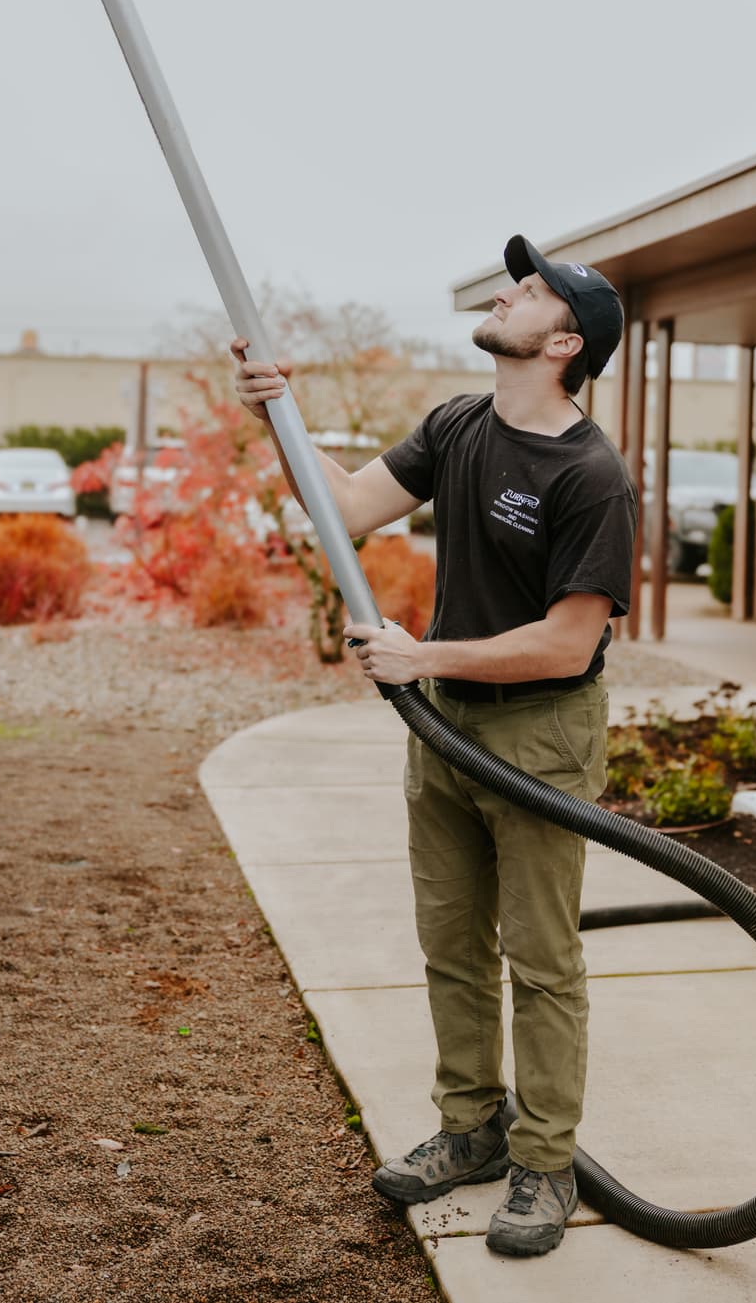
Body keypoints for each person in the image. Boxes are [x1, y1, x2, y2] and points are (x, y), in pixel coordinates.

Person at [232, 235, 637, 1258]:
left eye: (531, 291)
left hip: (541, 732)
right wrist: (279, 415)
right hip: (448, 723)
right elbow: (348, 507)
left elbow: (568, 640)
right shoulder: (458, 424)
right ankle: (471, 1128)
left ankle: (545, 1161)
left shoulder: (591, 474)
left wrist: (424, 655)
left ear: (564, 343)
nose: (507, 294)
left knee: (540, 959)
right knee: (452, 943)